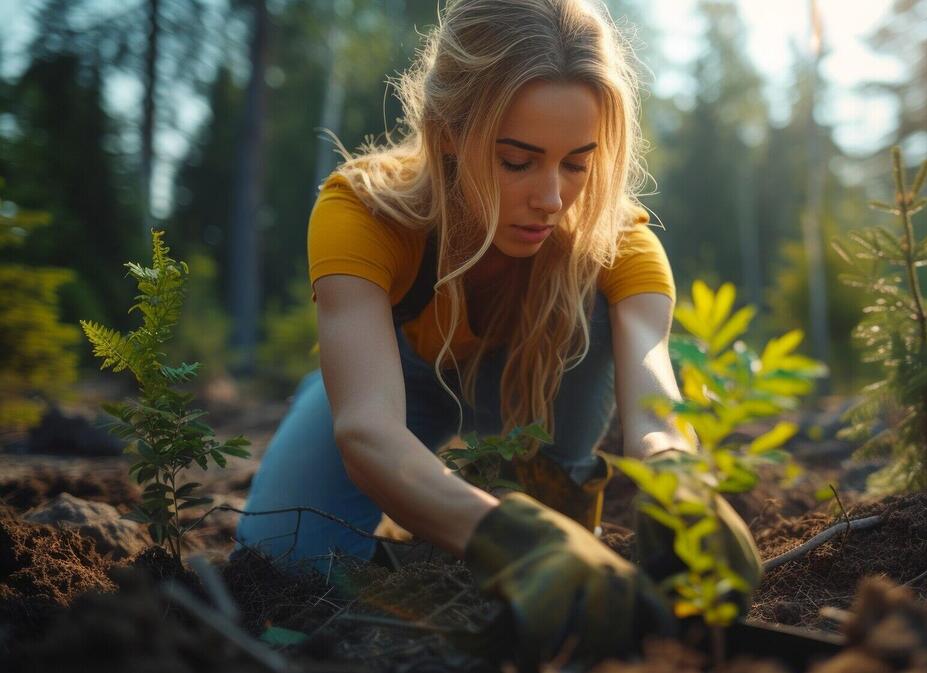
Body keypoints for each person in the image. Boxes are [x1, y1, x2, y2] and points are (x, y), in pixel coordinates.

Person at [234, 0, 759, 665]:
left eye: (577, 163)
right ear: (447, 132)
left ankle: (547, 503)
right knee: (279, 556)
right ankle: (473, 528)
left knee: (559, 596)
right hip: (401, 383)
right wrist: (501, 534)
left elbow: (655, 405)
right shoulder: (363, 213)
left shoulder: (618, 241)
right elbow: (366, 431)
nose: (552, 198)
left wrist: (676, 478)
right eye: (518, 161)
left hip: (538, 390)